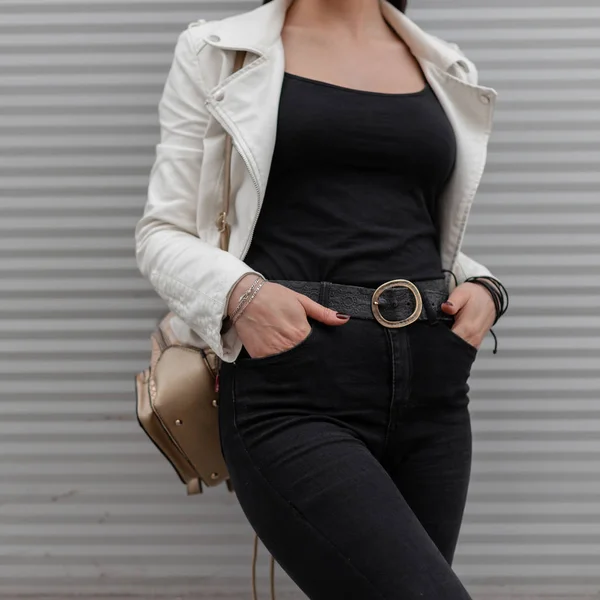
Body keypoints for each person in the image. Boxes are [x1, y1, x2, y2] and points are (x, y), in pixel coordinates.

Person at [135, 0, 509, 597]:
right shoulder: (221, 51)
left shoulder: (443, 64)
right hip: (295, 390)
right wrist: (241, 293)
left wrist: (487, 287)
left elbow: (414, 230)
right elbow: (162, 233)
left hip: (433, 395)